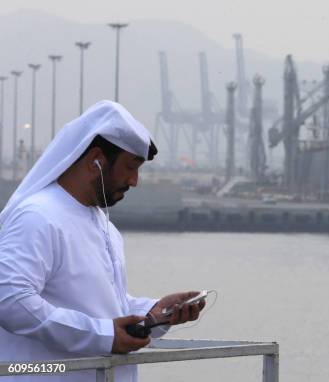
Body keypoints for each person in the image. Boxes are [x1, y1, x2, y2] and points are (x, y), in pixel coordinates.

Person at [0, 100, 204, 381]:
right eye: (130, 167)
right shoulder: (38, 216)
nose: (134, 181)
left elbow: (102, 307)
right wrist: (103, 335)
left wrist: (153, 314)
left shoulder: (103, 224)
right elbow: (10, 300)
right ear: (97, 160)